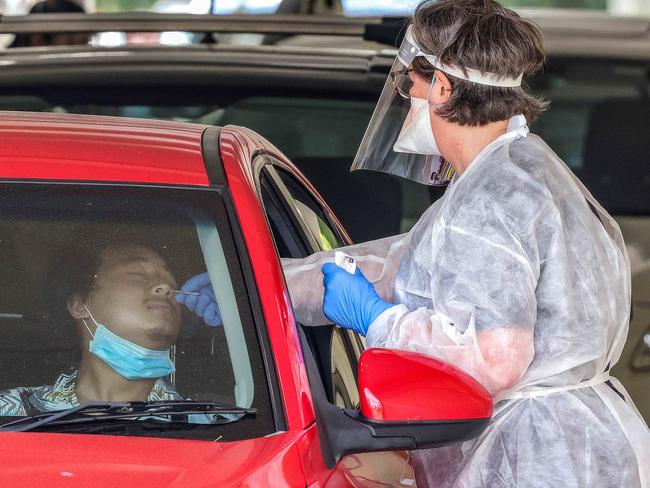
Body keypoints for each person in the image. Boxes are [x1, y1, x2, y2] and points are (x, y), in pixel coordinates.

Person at [179, 0, 650, 485]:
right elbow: (404, 265)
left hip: (533, 458)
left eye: (412, 83)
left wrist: (376, 320)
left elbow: (495, 354)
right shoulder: (519, 171)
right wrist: (261, 283)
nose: (406, 98)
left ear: (442, 87)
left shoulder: (492, 197)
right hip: (572, 440)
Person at [0, 241, 185, 415]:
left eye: (171, 278)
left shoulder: (205, 425)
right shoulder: (13, 411)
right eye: (138, 275)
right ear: (79, 305)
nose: (166, 286)